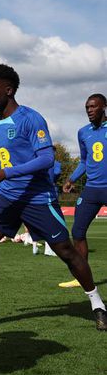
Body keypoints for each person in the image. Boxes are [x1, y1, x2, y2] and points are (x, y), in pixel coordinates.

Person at [0, 65, 106, 331]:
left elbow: (46, 159)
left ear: (9, 90)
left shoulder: (31, 119)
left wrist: (5, 173)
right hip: (7, 198)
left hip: (37, 198)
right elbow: (0, 165)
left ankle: (98, 304)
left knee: (67, 252)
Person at [59, 94, 107, 287]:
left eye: (93, 106)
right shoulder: (83, 132)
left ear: (104, 107)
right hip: (92, 190)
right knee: (77, 231)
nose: (89, 110)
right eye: (87, 107)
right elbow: (85, 161)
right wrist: (71, 179)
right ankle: (82, 276)